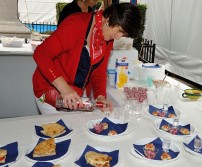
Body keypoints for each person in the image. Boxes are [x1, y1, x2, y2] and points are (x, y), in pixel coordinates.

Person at [32, 3, 142, 114]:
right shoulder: (76, 23)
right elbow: (41, 54)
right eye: (120, 30)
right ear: (110, 18)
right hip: (48, 90)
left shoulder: (108, 40)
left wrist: (100, 96)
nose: (118, 37)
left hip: (73, 93)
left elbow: (99, 72)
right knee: (59, 129)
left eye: (123, 35)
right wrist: (64, 88)